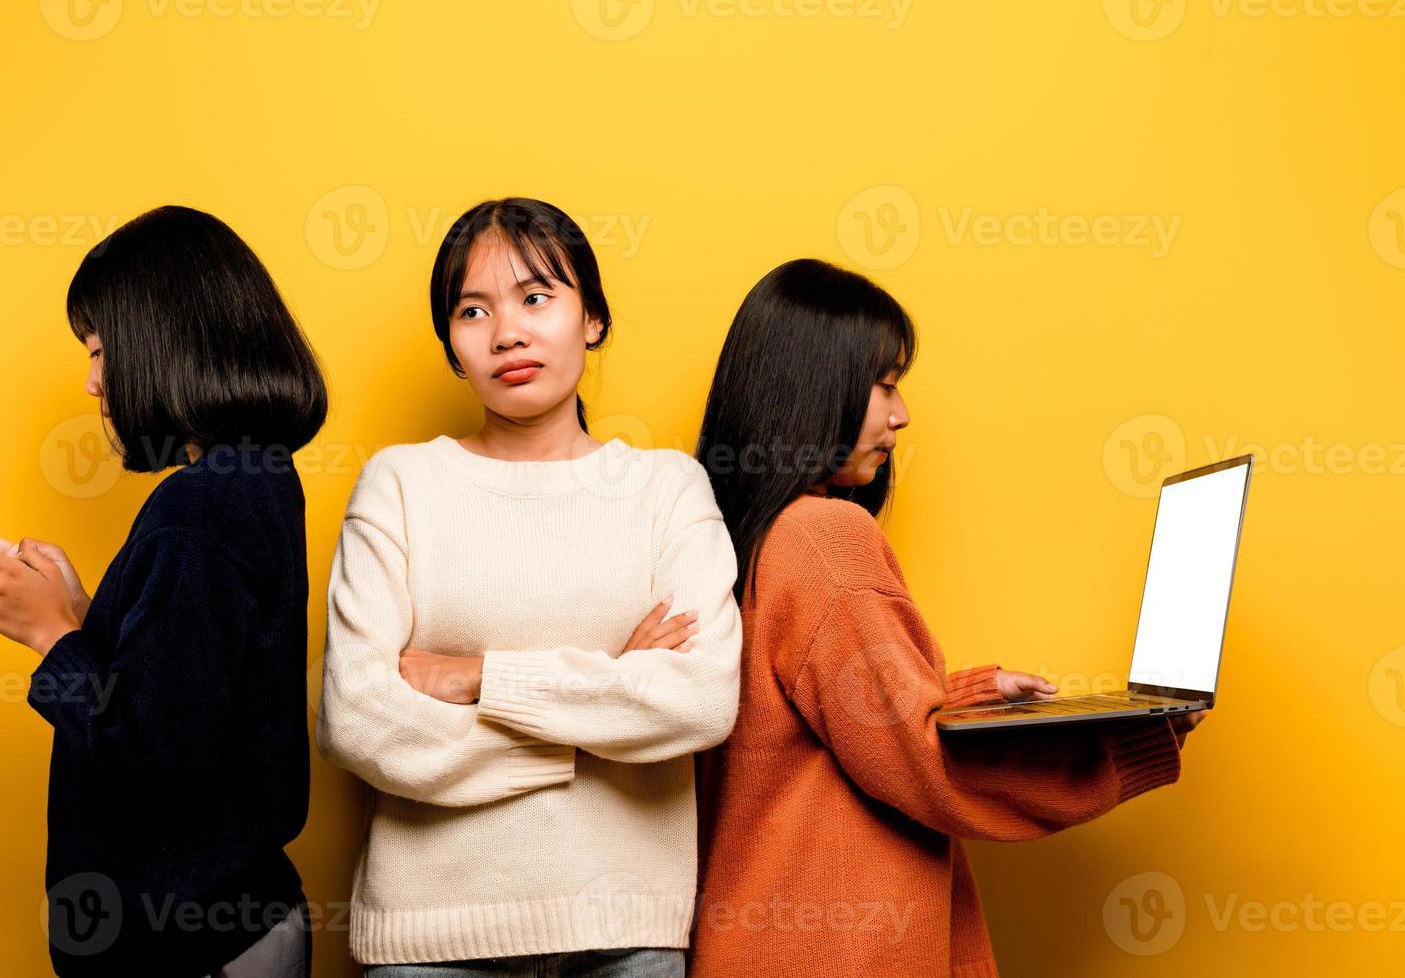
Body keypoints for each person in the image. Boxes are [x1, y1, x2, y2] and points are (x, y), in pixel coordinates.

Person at [689, 258, 1202, 977]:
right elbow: (923, 769)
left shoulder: (741, 534)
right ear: (815, 385)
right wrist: (1128, 745)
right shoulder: (825, 539)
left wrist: (960, 698)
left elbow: (799, 732)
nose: (901, 415)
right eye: (885, 385)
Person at [315, 197, 742, 976]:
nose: (506, 332)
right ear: (451, 345)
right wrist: (598, 727)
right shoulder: (401, 486)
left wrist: (478, 677)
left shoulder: (666, 489)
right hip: (428, 944)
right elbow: (356, 719)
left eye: (536, 298)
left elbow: (701, 699)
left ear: (594, 320)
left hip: (627, 932)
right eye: (472, 311)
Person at [0, 205, 327, 977]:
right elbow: (198, 690)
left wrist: (52, 636)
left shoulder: (200, 504)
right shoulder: (253, 478)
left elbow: (159, 751)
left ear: (164, 344)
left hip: (195, 947)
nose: (90, 381)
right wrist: (86, 614)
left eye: (101, 350)